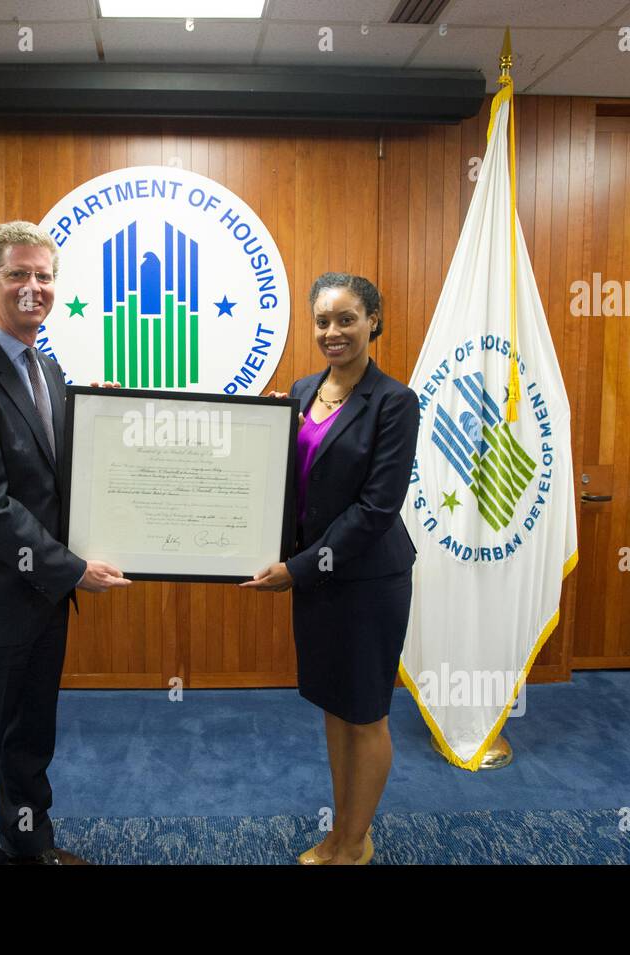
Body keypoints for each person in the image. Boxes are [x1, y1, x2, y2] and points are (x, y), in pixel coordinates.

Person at [0, 220, 130, 865]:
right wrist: (72, 569)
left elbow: (51, 465)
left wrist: (100, 417)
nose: (33, 287)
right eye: (18, 274)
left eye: (44, 276)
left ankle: (28, 842)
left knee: (29, 740)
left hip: (39, 600)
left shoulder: (45, 367)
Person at [242, 272, 419, 865]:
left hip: (367, 580)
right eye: (323, 321)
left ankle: (351, 843)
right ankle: (347, 829)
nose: (333, 332)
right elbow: (287, 483)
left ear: (373, 320)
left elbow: (376, 509)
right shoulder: (298, 390)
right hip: (316, 581)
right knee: (335, 706)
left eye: (347, 319)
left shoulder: (394, 402)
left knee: (365, 711)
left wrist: (297, 568)